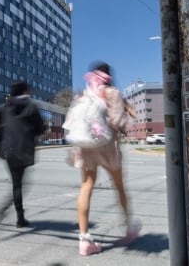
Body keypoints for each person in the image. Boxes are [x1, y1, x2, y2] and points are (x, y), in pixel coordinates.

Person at [68, 62, 140, 256]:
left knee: (86, 187)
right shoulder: (111, 92)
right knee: (119, 186)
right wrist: (129, 114)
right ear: (108, 75)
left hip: (87, 147)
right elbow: (117, 121)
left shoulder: (85, 93)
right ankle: (129, 228)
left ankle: (84, 240)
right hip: (107, 147)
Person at [0, 81, 44, 228]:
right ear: (24, 91)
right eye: (28, 89)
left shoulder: (5, 107)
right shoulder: (31, 106)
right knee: (20, 185)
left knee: (16, 184)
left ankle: (19, 217)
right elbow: (40, 128)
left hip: (8, 150)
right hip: (23, 150)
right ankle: (13, 215)